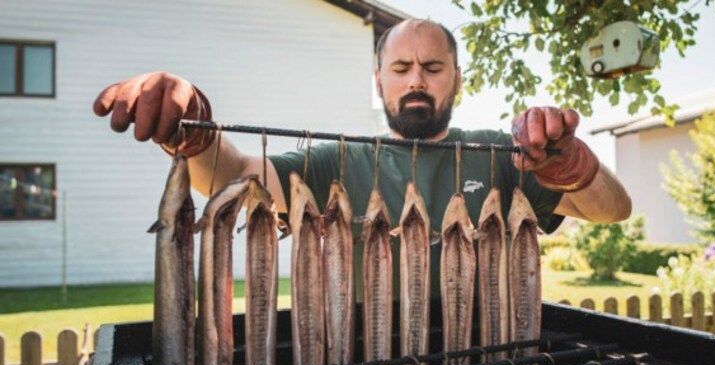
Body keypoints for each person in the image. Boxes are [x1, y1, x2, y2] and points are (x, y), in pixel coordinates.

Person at [93, 19, 631, 299]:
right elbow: (234, 177)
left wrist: (574, 167)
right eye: (400, 68)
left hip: (485, 357)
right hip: (358, 364)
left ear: (457, 80)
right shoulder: (338, 161)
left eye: (433, 66)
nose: (416, 79)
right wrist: (196, 135)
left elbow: (612, 209)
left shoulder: (505, 154)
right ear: (379, 82)